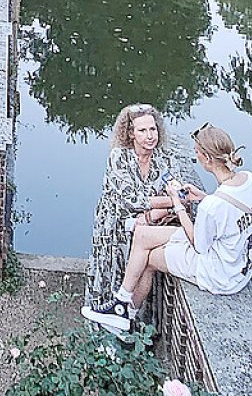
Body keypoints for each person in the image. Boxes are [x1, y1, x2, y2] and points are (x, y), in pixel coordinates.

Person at [84, 125, 252, 333]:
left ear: (207, 159)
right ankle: (121, 303)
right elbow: (231, 214)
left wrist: (177, 203)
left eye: (197, 152)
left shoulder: (213, 207)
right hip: (240, 260)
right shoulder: (249, 180)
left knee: (149, 258)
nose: (196, 156)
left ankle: (125, 313)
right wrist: (202, 196)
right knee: (143, 235)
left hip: (222, 274)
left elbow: (199, 245)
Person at [84, 104, 197, 313]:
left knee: (143, 273)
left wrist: (165, 206)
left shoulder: (165, 158)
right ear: (130, 133)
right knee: (113, 274)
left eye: (152, 129)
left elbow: (182, 194)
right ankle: (103, 326)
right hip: (115, 228)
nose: (149, 136)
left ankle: (132, 326)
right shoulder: (119, 156)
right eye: (142, 131)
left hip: (147, 227)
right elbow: (131, 199)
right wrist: (171, 202)